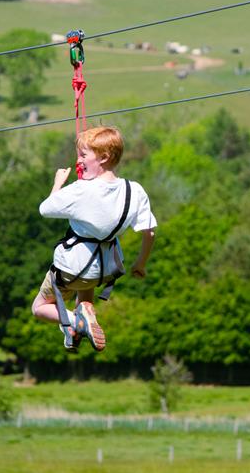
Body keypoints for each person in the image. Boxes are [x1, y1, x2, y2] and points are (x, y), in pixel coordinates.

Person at [32, 126, 157, 351]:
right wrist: (141, 263)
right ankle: (76, 327)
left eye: (83, 155)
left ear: (104, 157)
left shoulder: (80, 190)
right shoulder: (134, 190)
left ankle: (74, 322)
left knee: (39, 307)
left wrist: (58, 183)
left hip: (71, 269)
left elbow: (45, 209)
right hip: (106, 271)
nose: (78, 161)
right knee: (85, 287)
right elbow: (150, 232)